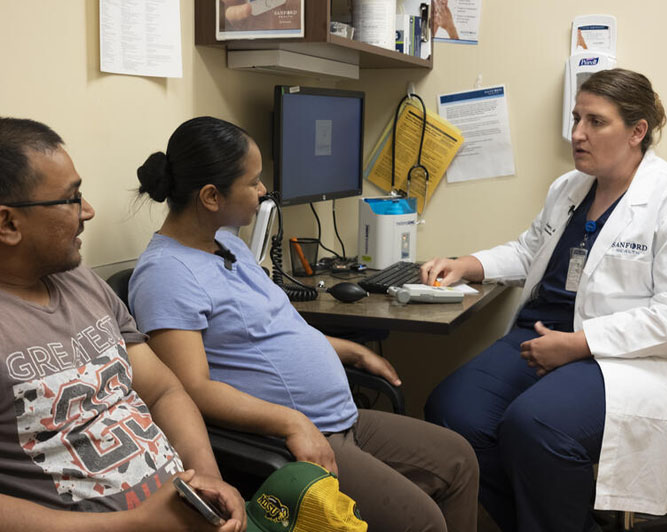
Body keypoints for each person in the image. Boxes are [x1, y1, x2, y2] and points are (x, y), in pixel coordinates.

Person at [128, 116, 479, 532]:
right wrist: (291, 422)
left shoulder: (227, 244)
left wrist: (350, 349)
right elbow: (192, 389)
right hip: (287, 439)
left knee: (459, 459)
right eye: (253, 181)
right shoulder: (166, 274)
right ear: (210, 196)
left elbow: (278, 329)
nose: (262, 191)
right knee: (422, 522)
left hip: (338, 417)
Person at [421, 68, 667, 531]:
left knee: (535, 427)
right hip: (538, 335)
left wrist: (580, 343)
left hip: (621, 357)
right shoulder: (568, 187)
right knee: (452, 413)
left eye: (595, 122)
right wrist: (468, 263)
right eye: (576, 119)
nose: (577, 134)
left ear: (637, 132)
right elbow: (531, 249)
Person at [0, 117, 246, 531]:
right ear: (8, 224)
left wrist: (210, 479)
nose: (89, 211)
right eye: (71, 199)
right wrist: (136, 523)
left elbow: (165, 390)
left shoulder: (79, 278)